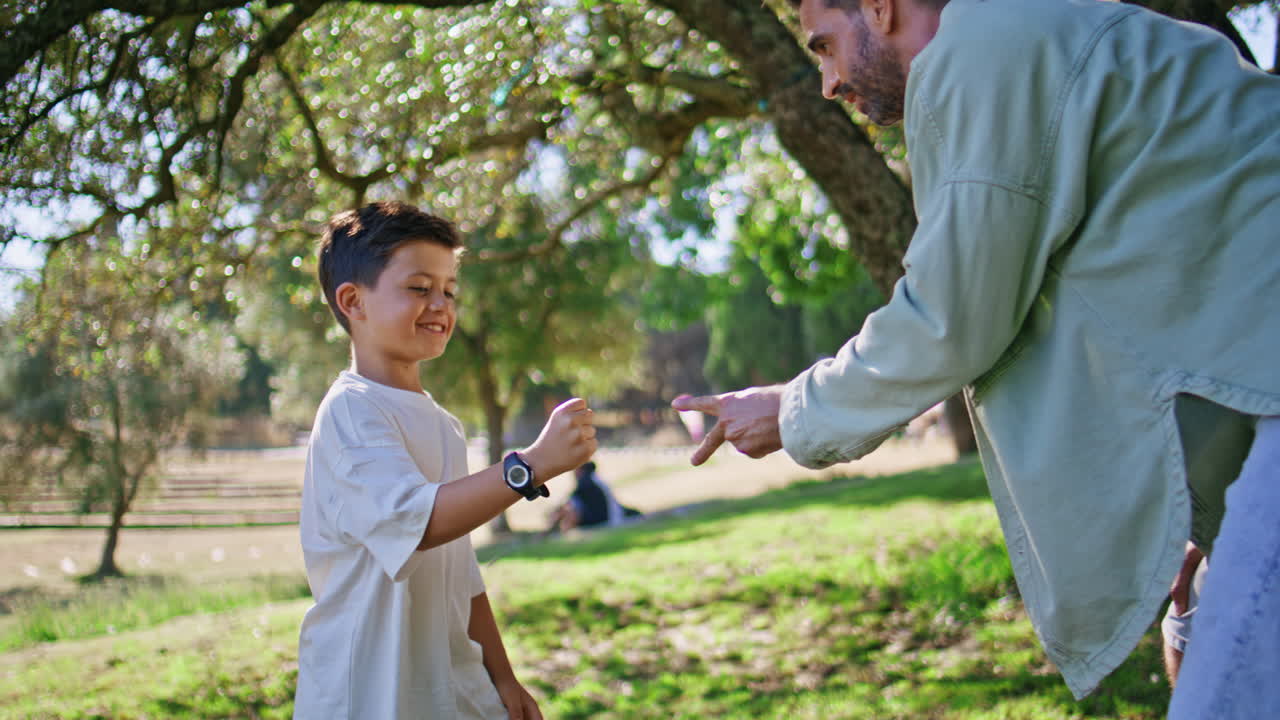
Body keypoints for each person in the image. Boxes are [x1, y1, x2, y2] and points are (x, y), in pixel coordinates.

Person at [672, 0, 1280, 716]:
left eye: (825, 47)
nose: (830, 82)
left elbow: (952, 317)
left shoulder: (982, 50)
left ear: (880, 7)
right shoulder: (1026, 33)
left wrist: (794, 409)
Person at [293, 201, 597, 720]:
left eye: (450, 290)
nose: (441, 304)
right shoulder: (350, 412)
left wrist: (502, 677)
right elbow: (423, 520)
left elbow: (462, 570)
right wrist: (531, 465)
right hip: (365, 696)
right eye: (419, 288)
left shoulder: (444, 425)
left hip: (446, 692)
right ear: (353, 301)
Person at [547, 461, 640, 533]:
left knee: (568, 510)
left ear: (580, 469)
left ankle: (553, 531)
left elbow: (569, 503)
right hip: (609, 515)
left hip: (604, 519)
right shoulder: (594, 480)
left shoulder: (586, 482)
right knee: (567, 510)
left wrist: (556, 514)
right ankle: (553, 530)